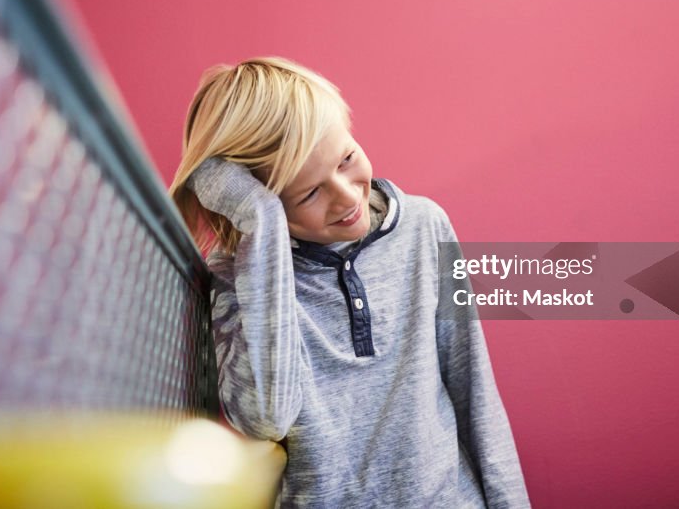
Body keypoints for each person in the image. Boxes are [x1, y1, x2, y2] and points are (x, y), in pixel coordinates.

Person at [169, 57, 530, 508]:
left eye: (347, 158)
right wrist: (262, 227)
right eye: (309, 193)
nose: (346, 195)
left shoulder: (425, 226)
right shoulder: (238, 275)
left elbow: (473, 387)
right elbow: (265, 418)